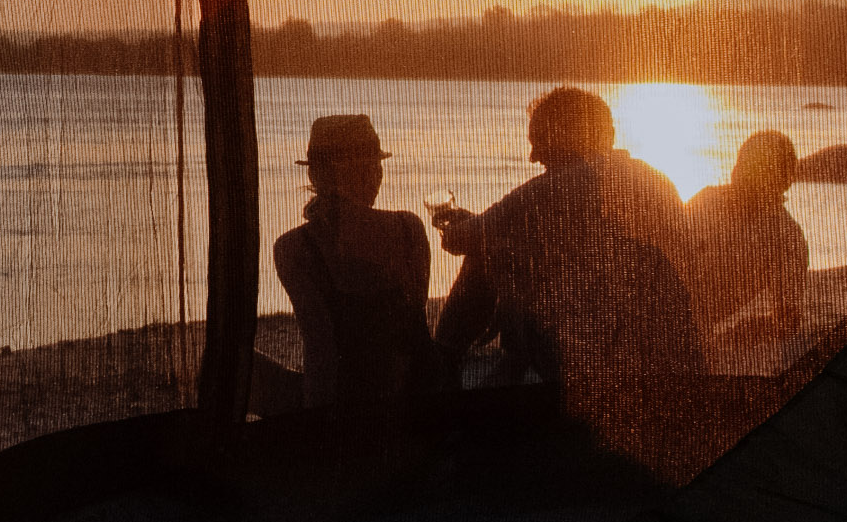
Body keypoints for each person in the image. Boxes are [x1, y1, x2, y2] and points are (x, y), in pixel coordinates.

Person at [429, 86, 699, 402]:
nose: (533, 156)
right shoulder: (655, 179)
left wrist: (463, 225)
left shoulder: (555, 187)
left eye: (539, 141)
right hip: (669, 357)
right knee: (504, 249)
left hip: (598, 368)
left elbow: (460, 240)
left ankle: (441, 370)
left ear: (566, 135)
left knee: (485, 254)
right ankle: (505, 373)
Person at [271, 114, 439, 407]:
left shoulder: (294, 247)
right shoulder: (408, 228)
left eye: (375, 167)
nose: (375, 177)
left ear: (315, 176)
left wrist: (321, 423)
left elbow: (320, 347)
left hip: (350, 403)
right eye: (368, 167)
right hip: (418, 392)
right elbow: (413, 322)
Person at [679, 131, 811, 353]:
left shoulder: (786, 237)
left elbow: (788, 320)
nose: (740, 174)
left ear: (782, 181)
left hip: (686, 328)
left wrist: (742, 331)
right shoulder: (706, 200)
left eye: (755, 169)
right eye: (742, 164)